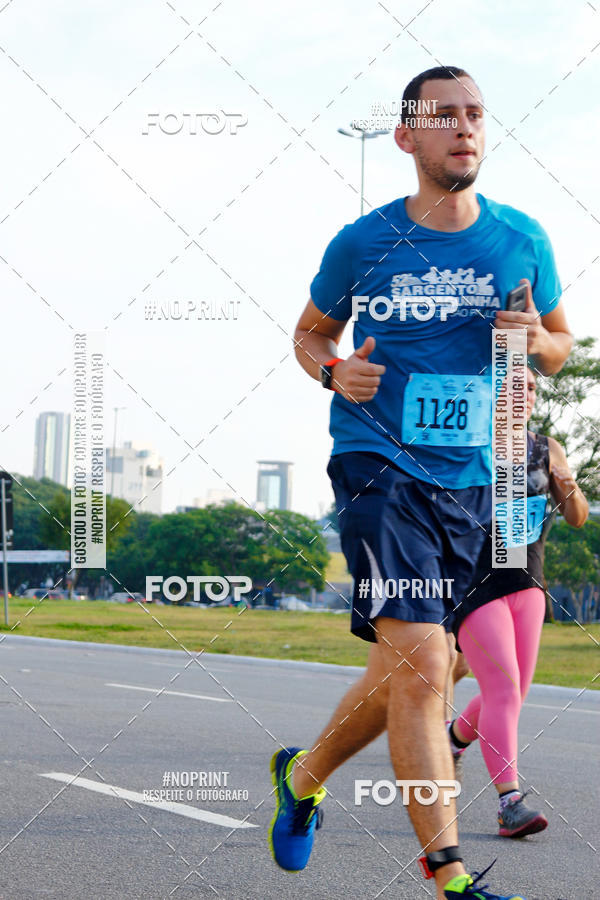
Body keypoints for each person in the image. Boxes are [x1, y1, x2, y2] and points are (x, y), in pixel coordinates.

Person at [269, 65, 573, 900]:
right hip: (379, 468)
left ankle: (303, 777)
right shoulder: (362, 242)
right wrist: (333, 371)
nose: (466, 128)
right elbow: (308, 335)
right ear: (406, 137)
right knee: (428, 661)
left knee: (423, 668)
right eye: (446, 116)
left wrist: (530, 339)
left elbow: (561, 344)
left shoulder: (522, 239)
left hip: (476, 479)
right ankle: (449, 875)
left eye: (477, 114)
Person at [447, 367, 588, 838]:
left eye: (530, 387)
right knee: (505, 688)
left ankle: (451, 740)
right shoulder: (465, 442)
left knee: (507, 694)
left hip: (528, 581)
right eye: (514, 386)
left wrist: (566, 481)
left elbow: (578, 517)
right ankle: (510, 802)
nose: (525, 394)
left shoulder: (546, 448)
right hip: (474, 583)